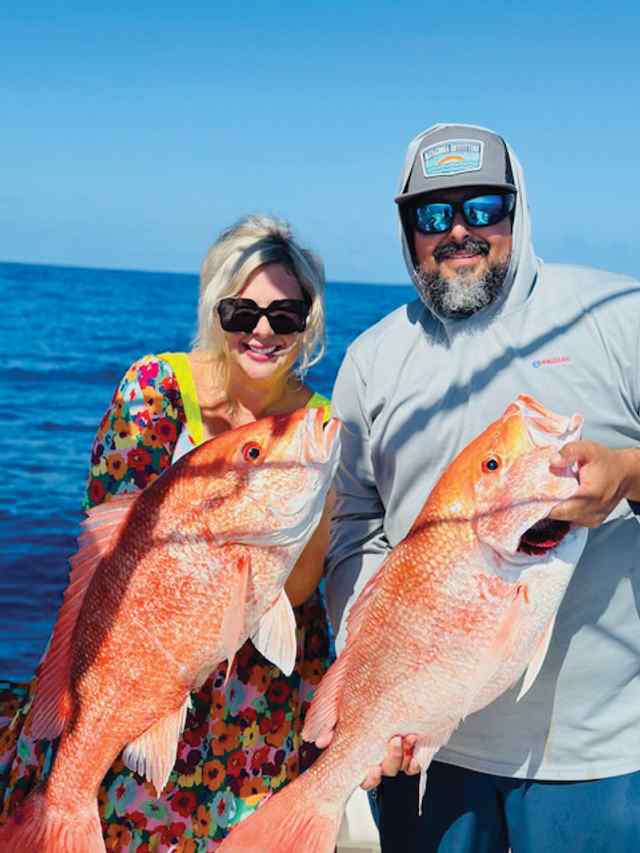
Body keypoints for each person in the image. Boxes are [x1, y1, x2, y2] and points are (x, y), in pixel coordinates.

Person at [325, 123, 640, 852]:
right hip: (422, 746)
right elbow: (354, 529)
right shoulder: (371, 361)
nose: (459, 231)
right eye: (432, 214)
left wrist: (627, 474)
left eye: (483, 207)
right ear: (407, 230)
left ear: (518, 209)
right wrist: (374, 666)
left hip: (599, 754)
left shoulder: (619, 317)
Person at [0, 214, 334, 850]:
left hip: (252, 707)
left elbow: (295, 594)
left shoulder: (315, 426)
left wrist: (311, 505)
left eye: (285, 315)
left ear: (308, 320)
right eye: (241, 312)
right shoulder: (153, 388)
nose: (263, 331)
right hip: (134, 672)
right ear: (215, 310)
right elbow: (106, 549)